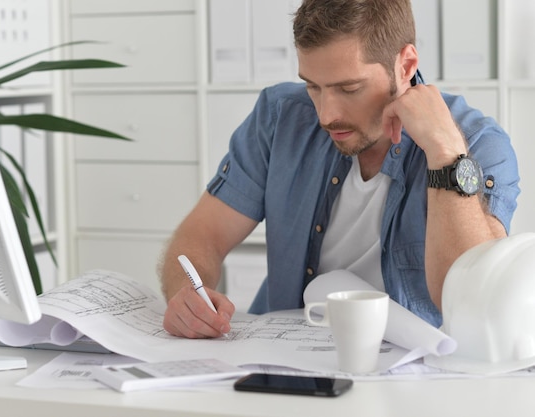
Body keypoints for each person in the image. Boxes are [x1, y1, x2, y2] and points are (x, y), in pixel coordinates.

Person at [159, 0, 520, 339]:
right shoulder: (280, 117)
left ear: (406, 66)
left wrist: (446, 154)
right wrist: (187, 293)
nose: (326, 114)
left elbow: (474, 303)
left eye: (349, 88)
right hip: (282, 353)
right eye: (313, 86)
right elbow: (201, 235)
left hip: (406, 375)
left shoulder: (475, 143)